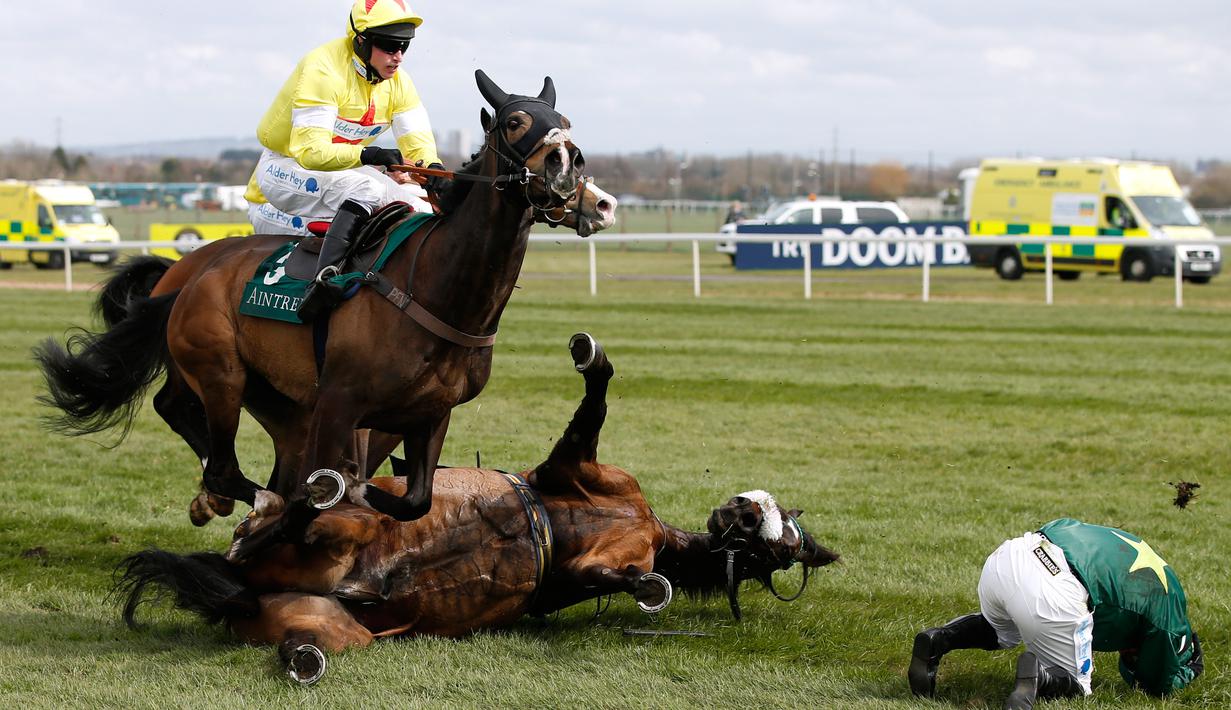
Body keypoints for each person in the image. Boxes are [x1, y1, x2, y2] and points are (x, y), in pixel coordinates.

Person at [243, 0, 452, 321]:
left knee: (421, 211)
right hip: (281, 174)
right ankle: (323, 285)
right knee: (365, 190)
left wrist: (432, 170)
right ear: (360, 41)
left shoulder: (399, 82)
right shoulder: (322, 68)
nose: (398, 56)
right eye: (389, 45)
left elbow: (417, 142)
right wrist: (368, 154)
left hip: (341, 174)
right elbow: (311, 153)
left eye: (405, 45)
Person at [909, 518, 1202, 708]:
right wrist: (1186, 672)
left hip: (1010, 556)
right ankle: (1039, 676)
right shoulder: (1170, 607)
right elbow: (1157, 683)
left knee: (1004, 631)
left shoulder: (1135, 548)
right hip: (1056, 590)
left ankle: (940, 639)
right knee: (1079, 691)